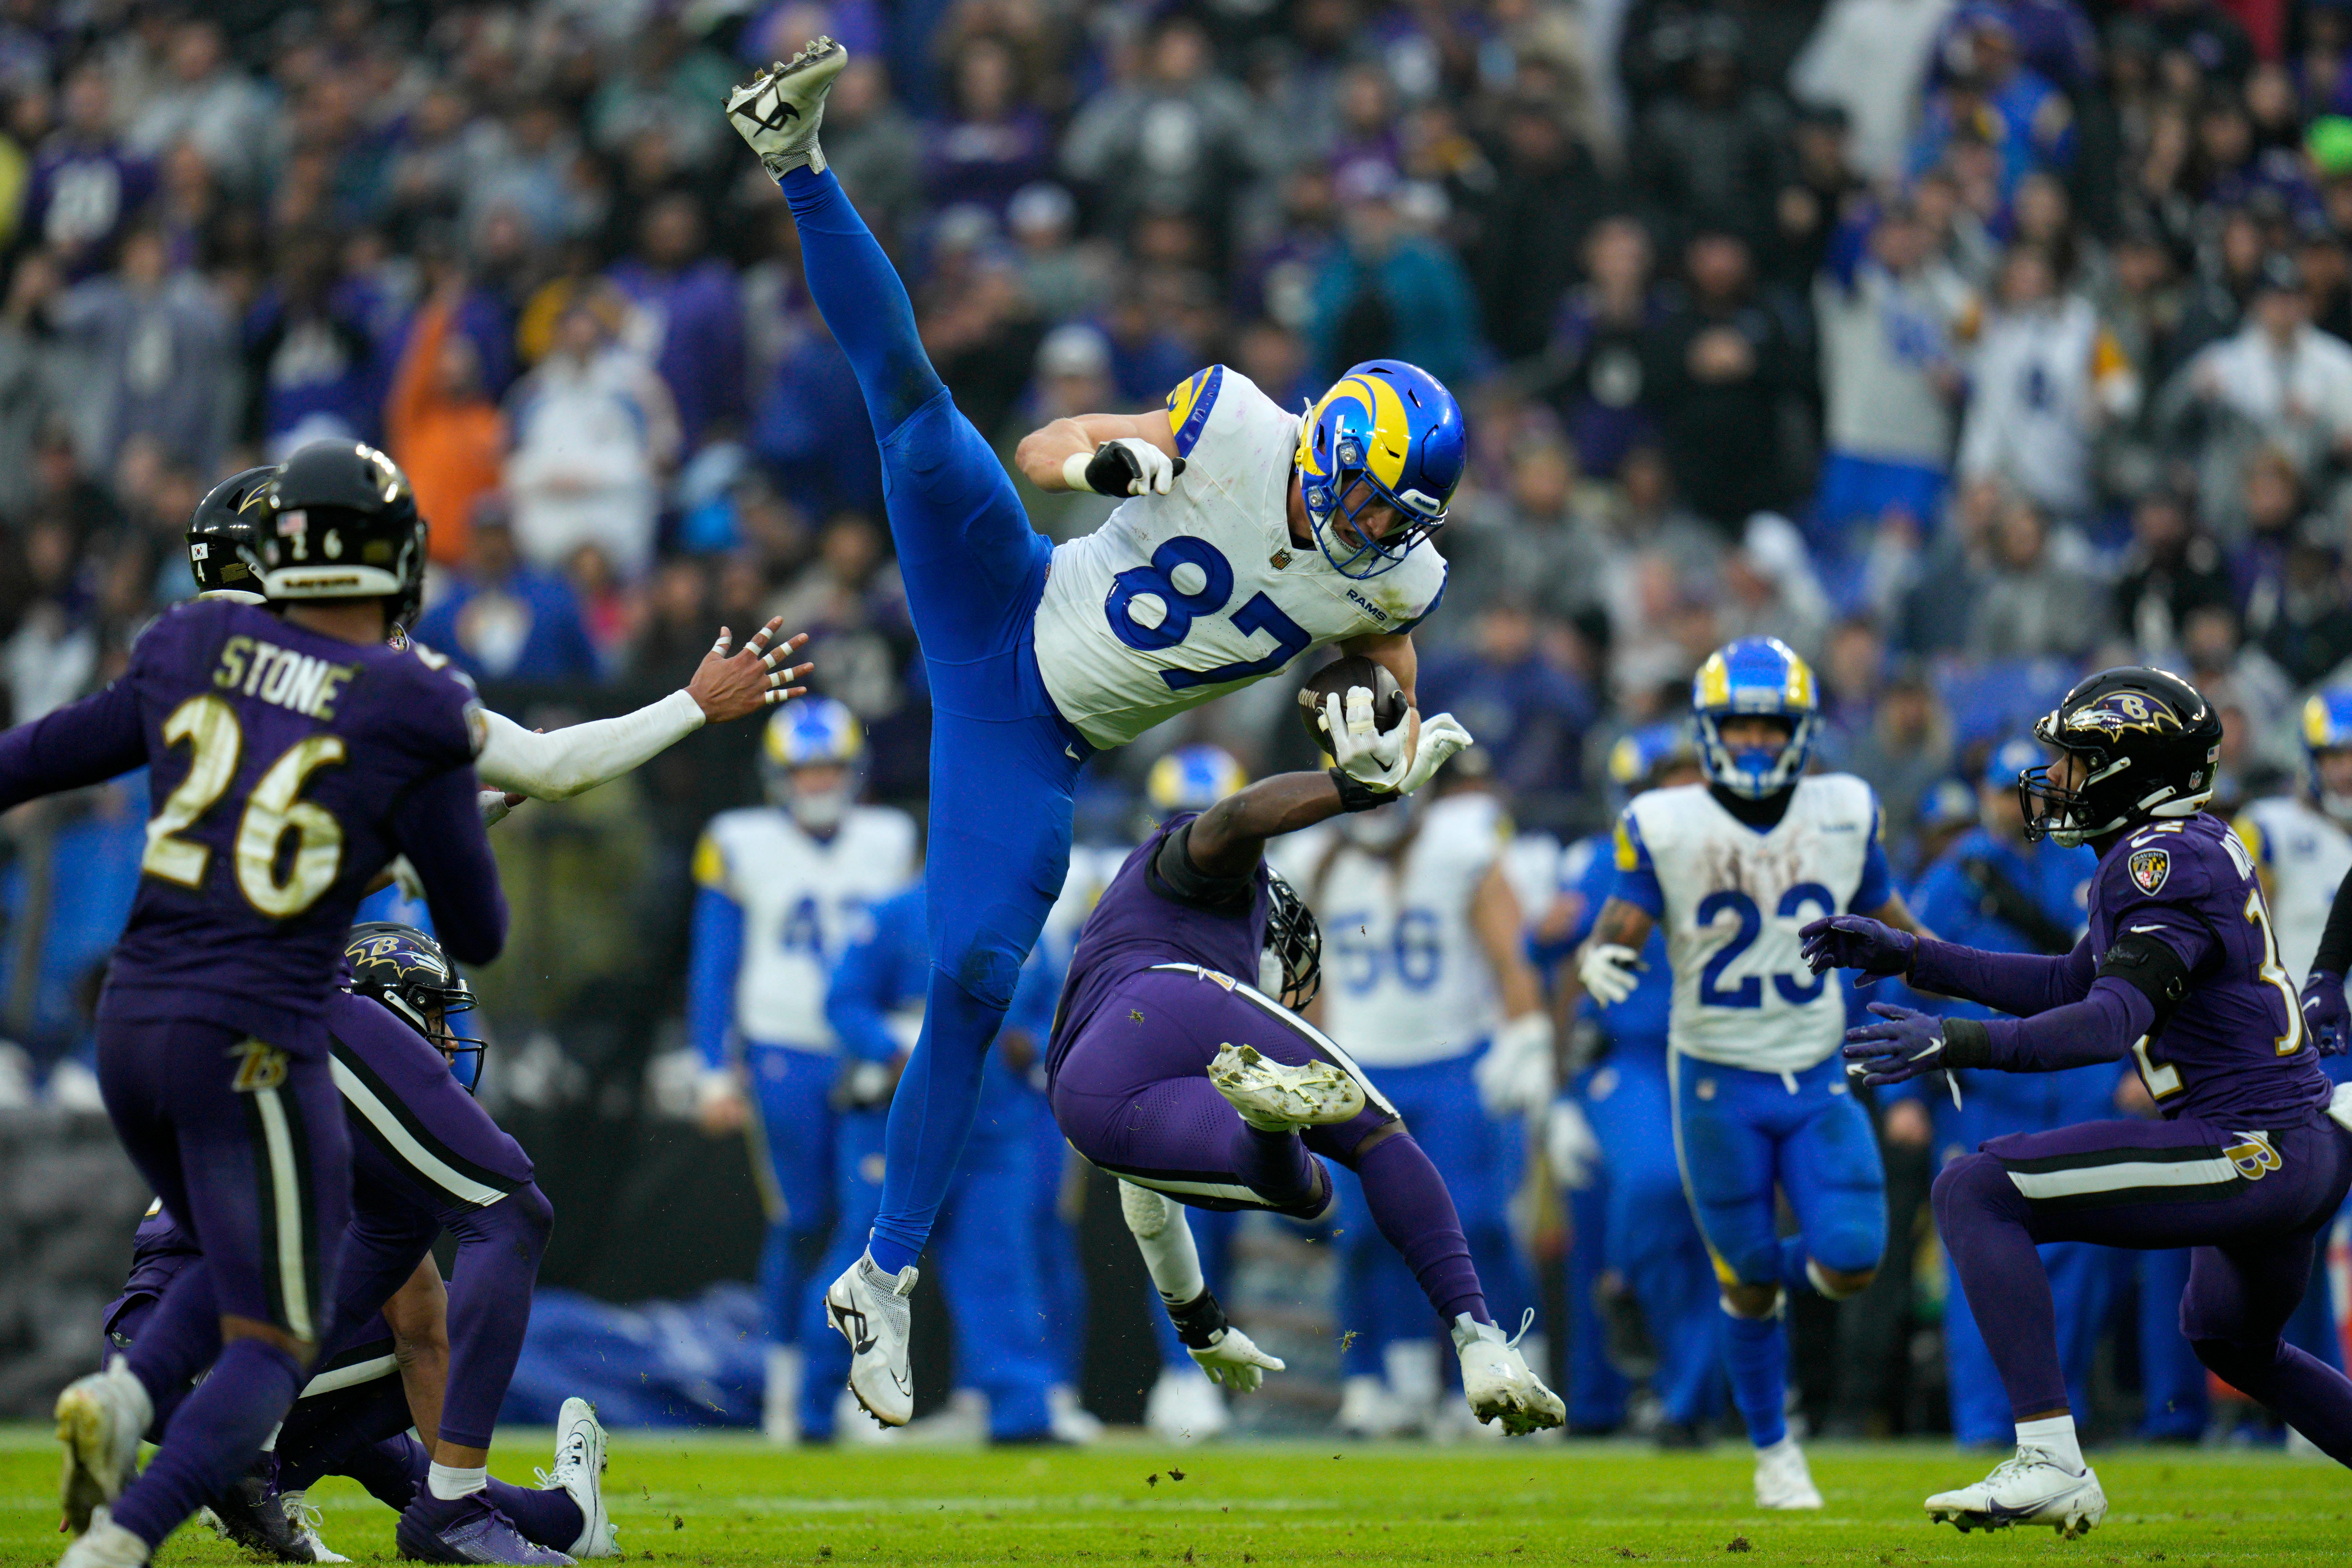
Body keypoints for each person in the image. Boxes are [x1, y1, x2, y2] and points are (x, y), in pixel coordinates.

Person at [725, 40, 1471, 1423]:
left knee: (975, 977)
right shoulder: (1240, 421)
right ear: (1330, 448)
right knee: (920, 413)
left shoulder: (1391, 566)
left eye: (1396, 525)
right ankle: (796, 161)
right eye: (1370, 505)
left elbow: (1383, 653)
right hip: (1004, 594)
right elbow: (1046, 447)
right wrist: (1110, 463)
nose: (1375, 537)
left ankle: (879, 1278)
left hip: (1036, 735)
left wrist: (1374, 725)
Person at [12, 441, 504, 1568]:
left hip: (131, 1024)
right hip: (255, 1034)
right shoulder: (409, 697)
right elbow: (473, 929)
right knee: (276, 1336)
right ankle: (122, 1535)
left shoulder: (187, 642)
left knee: (246, 1269)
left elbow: (39, 755)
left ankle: (132, 1392)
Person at [1807, 666, 2352, 1536]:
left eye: (2073, 760)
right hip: (2293, 1140)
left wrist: (1953, 1039)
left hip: (2252, 1143)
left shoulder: (2160, 863)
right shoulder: (2176, 848)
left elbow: (2104, 1024)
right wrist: (1914, 955)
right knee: (2230, 1341)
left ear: (2132, 771)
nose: (2053, 779)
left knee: (1975, 1189)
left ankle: (2051, 1458)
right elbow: (2071, 977)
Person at [1042, 733, 1563, 1435]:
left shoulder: (1123, 921)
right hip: (1174, 1002)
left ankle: (1265, 1124)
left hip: (1088, 1097)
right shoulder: (1187, 864)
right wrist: (1354, 787)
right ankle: (1478, 1336)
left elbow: (1151, 1217)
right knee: (1374, 1135)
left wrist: (1200, 1326)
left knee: (1302, 1188)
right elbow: (1233, 820)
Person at [101, 924, 612, 1565]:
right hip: (197, 1357)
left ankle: (557, 1518)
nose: (448, 1040)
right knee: (448, 1317)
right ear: (379, 1006)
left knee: (384, 1433)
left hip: (151, 1345)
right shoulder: (328, 1080)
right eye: (431, 1011)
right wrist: (455, 1494)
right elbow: (422, 1332)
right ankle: (463, 1512)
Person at [1573, 636, 1925, 1508]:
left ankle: (1750, 1280)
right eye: (1745, 727)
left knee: (1851, 1258)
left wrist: (1952, 977)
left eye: (1775, 728)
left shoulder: (1845, 809)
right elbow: (1619, 922)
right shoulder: (1665, 819)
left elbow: (1891, 919)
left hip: (1811, 1071)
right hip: (1714, 1079)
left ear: (1802, 731)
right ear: (1710, 731)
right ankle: (1775, 1452)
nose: (1761, 743)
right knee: (1750, 1279)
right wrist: (1602, 960)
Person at [183, 466, 812, 825]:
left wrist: (486, 802)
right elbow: (553, 770)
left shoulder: (202, 659)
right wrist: (695, 703)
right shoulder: (348, 667)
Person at [1272, 773, 1553, 1437]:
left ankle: (1516, 1366)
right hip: (1361, 1071)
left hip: (1454, 1060)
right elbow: (1296, 974)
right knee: (1366, 1235)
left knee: (1478, 1222)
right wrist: (1303, 1059)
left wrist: (1526, 1035)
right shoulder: (1310, 857)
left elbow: (1511, 955)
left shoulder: (1463, 844)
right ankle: (1386, 1383)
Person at [687, 698, 917, 1443]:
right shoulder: (738, 840)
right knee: (801, 1220)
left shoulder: (891, 838)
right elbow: (714, 967)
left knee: (869, 1229)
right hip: (782, 1050)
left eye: (829, 768)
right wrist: (713, 1070)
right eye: (803, 769)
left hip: (869, 1052)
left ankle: (849, 1387)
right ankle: (787, 1381)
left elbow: (917, 941)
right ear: (777, 775)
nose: (817, 782)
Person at [1894, 739, 2110, 1450]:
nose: (2017, 805)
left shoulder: (2084, 863)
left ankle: (2060, 1420)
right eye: (2000, 791)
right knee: (1980, 1262)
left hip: (2075, 1082)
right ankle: (1987, 1425)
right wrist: (1908, 1097)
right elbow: (1910, 980)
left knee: (2076, 1264)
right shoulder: (1955, 878)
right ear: (1984, 797)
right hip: (1983, 1086)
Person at [825, 881, 1087, 1444]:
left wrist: (1035, 1042)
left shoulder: (1031, 920)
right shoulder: (894, 914)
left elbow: (1061, 1011)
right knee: (864, 1257)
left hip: (994, 1130)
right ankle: (823, 1402)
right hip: (902, 1126)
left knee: (1002, 1268)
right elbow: (844, 999)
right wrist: (886, 1049)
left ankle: (1021, 1408)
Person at [1550, 723, 1723, 1446]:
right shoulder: (1607, 859)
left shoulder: (1749, 855)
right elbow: (1552, 952)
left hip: (1724, 1055)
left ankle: (1685, 1403)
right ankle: (1629, 1301)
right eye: (1668, 783)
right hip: (1636, 1054)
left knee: (1724, 1231)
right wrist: (1560, 1088)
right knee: (1653, 1183)